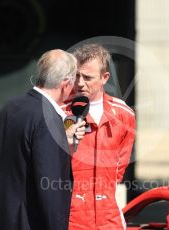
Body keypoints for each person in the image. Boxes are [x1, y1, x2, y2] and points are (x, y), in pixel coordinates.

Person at [0, 49, 85, 230]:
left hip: (3, 217)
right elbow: (50, 187)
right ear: (65, 83)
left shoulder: (11, 107)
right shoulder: (49, 120)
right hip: (30, 222)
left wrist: (62, 139)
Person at [62, 44, 136, 229]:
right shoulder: (60, 111)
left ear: (105, 78)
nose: (80, 83)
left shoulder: (123, 114)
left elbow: (120, 166)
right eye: (77, 75)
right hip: (69, 213)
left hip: (108, 213)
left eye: (88, 78)